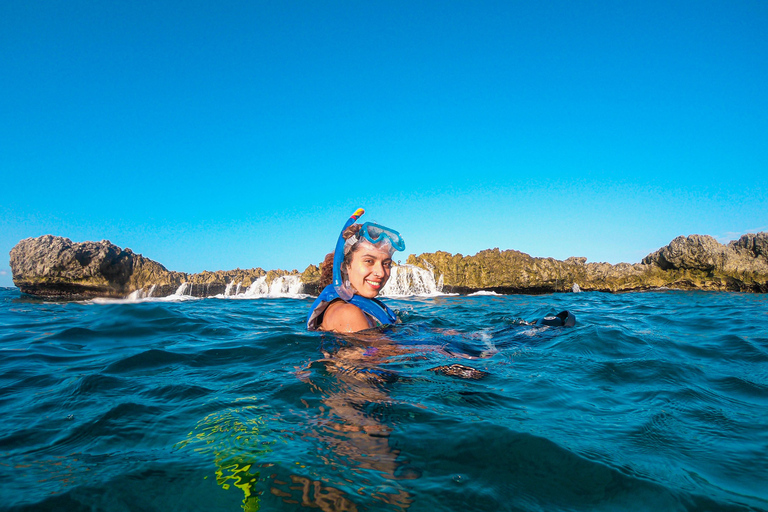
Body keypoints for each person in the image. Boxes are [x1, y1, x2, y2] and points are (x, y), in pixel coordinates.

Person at [307, 208, 405, 333]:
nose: (380, 273)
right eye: (369, 261)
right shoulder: (347, 314)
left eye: (386, 264)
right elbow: (374, 351)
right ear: (345, 266)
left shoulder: (360, 307)